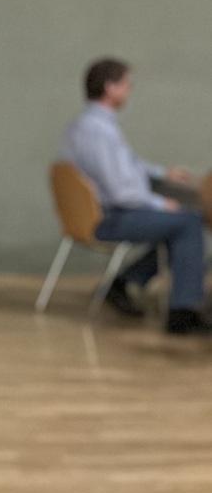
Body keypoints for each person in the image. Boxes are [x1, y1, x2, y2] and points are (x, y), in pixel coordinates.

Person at [58, 58, 208, 335]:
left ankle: (125, 281)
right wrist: (162, 204)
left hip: (107, 211)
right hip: (110, 217)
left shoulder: (89, 125)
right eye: (126, 84)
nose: (130, 90)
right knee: (188, 224)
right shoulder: (98, 131)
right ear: (109, 88)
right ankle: (182, 313)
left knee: (179, 224)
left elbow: (127, 165)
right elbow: (120, 191)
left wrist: (162, 174)